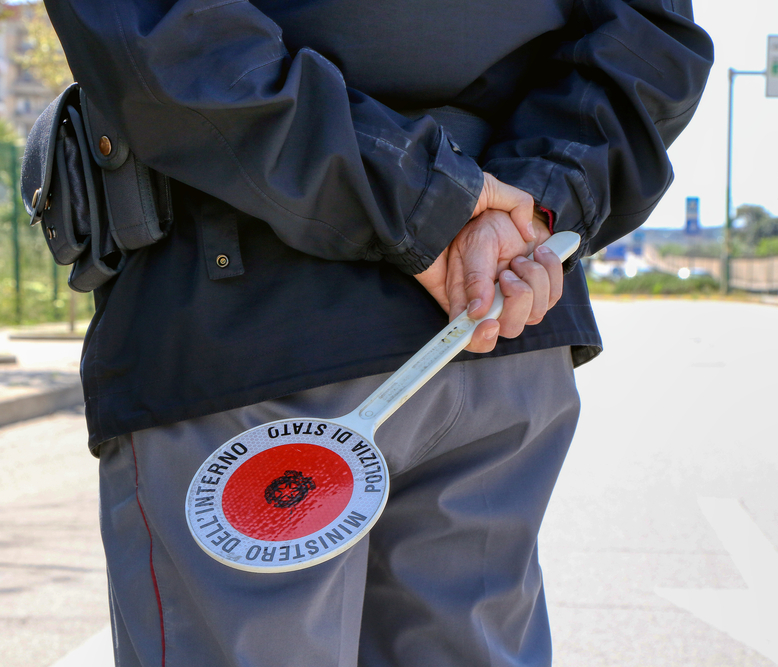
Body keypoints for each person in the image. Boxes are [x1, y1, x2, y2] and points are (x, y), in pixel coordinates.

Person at [43, 0, 712, 665]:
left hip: (251, 323)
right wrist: (527, 207)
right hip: (499, 316)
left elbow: (158, 33)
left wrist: (434, 201)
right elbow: (651, 36)